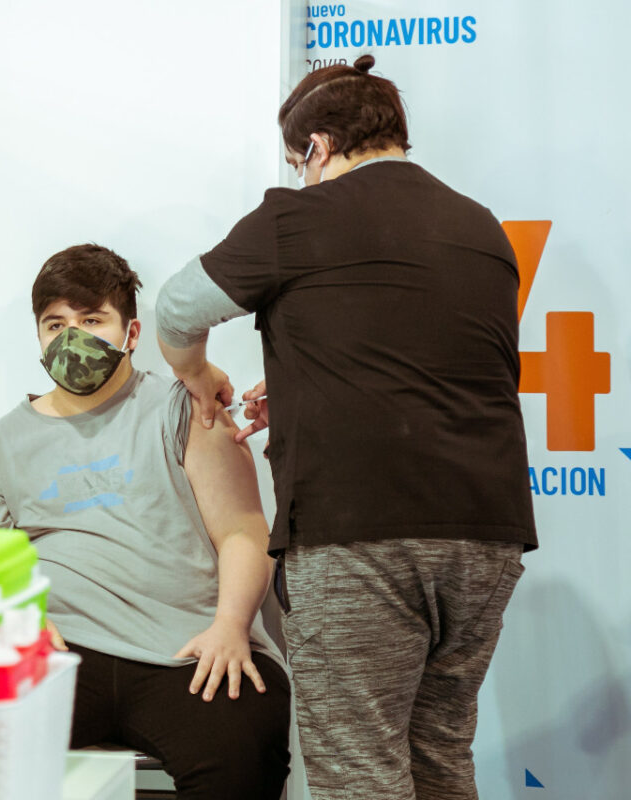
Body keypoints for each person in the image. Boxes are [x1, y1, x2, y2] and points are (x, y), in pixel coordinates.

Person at [153, 54, 537, 800]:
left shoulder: (296, 217)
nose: (300, 178)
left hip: (360, 535)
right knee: (439, 754)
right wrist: (304, 386)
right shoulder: (481, 227)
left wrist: (197, 375)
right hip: (485, 538)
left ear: (318, 147)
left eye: (298, 163)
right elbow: (429, 357)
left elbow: (175, 310)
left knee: (359, 771)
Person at [0, 244, 290, 799]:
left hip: (188, 650)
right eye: (55, 324)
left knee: (242, 750)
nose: (72, 337)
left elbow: (244, 530)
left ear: (131, 334)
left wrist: (231, 626)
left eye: (92, 321)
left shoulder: (188, 408)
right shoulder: (3, 442)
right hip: (61, 655)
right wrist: (17, 621)